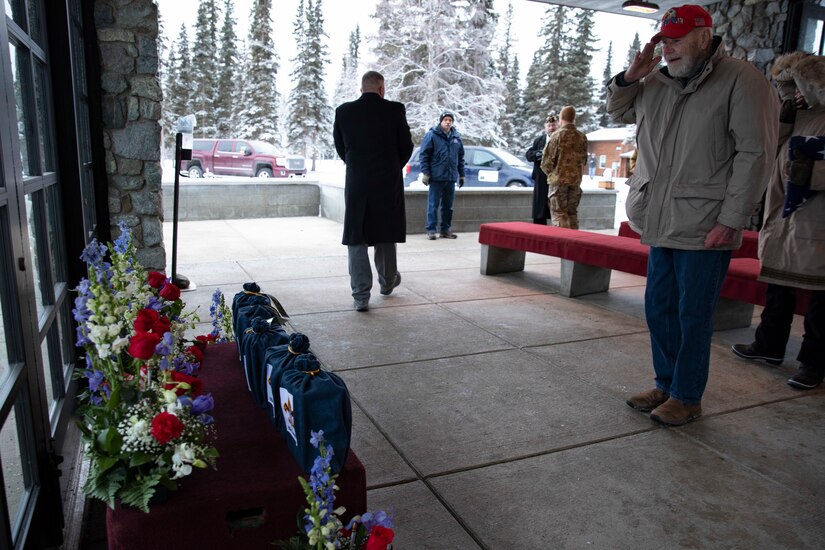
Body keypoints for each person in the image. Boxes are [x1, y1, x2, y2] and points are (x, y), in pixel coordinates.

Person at [606, 4, 778, 425]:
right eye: (664, 41)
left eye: (677, 40)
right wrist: (630, 78)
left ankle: (686, 395)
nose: (668, 50)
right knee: (659, 310)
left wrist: (732, 219)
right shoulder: (655, 82)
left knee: (693, 315)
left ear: (704, 37)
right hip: (660, 218)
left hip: (706, 224)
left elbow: (755, 155)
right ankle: (666, 384)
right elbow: (617, 112)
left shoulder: (742, 81)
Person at [730, 52, 825, 389]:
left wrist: (810, 173)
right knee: (777, 287)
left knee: (819, 298)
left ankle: (813, 364)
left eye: (798, 87)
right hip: (782, 216)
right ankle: (768, 345)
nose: (795, 93)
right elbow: (773, 147)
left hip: (815, 219)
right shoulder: (797, 115)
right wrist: (786, 115)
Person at [333, 71, 414, 312]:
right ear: (382, 89)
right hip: (387, 182)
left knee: (357, 237)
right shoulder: (395, 110)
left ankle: (360, 296)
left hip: (358, 183)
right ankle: (387, 282)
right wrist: (389, 166)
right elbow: (406, 147)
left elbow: (341, 147)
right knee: (385, 233)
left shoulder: (344, 112)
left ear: (361, 89)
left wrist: (357, 166)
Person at [540, 106, 588, 229]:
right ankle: (574, 244)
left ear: (561, 119)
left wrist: (554, 175)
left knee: (559, 215)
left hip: (558, 183)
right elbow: (584, 160)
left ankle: (562, 245)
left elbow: (545, 163)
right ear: (574, 119)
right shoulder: (582, 137)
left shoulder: (556, 136)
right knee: (572, 214)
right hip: (575, 182)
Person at [419, 111, 465, 239]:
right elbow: (424, 155)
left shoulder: (456, 138)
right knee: (433, 205)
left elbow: (460, 157)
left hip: (450, 178)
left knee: (448, 206)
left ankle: (445, 230)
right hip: (436, 177)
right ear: (441, 121)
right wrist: (426, 173)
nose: (448, 122)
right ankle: (431, 230)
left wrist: (462, 175)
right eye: (445, 119)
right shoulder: (432, 135)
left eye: (450, 120)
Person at [525, 113, 558, 225]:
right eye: (549, 125)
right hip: (541, 178)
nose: (551, 128)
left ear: (557, 126)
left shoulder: (561, 140)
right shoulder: (539, 140)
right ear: (545, 127)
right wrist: (539, 154)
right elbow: (529, 155)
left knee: (555, 209)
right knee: (540, 210)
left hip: (555, 178)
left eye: (553, 125)